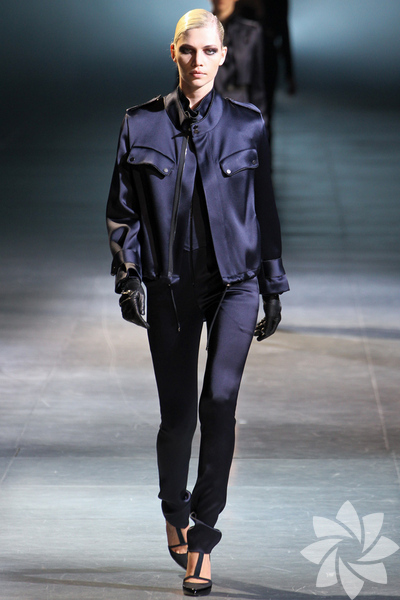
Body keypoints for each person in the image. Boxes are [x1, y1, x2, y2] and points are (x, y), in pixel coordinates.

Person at [106, 8, 289, 596]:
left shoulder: (248, 125)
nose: (199, 61)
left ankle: (203, 538)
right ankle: (173, 506)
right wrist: (129, 275)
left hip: (236, 282)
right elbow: (123, 209)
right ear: (173, 53)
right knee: (178, 415)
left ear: (224, 55)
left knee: (221, 401)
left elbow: (264, 207)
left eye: (210, 51)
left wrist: (272, 283)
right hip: (170, 284)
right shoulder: (140, 124)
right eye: (189, 50)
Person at [210, 0, 267, 118]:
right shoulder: (196, 31)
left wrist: (261, 121)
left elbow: (258, 82)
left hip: (240, 109)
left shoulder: (251, 32)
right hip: (205, 110)